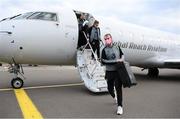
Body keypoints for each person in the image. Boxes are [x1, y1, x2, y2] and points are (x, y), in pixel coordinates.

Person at [101, 33, 125, 115]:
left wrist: (121, 59)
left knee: (118, 87)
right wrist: (115, 61)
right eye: (105, 39)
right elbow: (103, 61)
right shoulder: (104, 50)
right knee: (109, 88)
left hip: (118, 71)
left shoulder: (117, 47)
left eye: (108, 38)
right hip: (109, 72)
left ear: (111, 38)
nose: (107, 40)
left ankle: (120, 106)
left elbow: (122, 55)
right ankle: (114, 96)